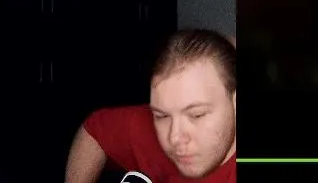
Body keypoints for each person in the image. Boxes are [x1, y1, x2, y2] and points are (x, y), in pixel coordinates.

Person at [65, 29, 236, 183]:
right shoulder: (152, 127)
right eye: (162, 115)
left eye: (196, 115)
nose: (174, 138)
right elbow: (95, 130)